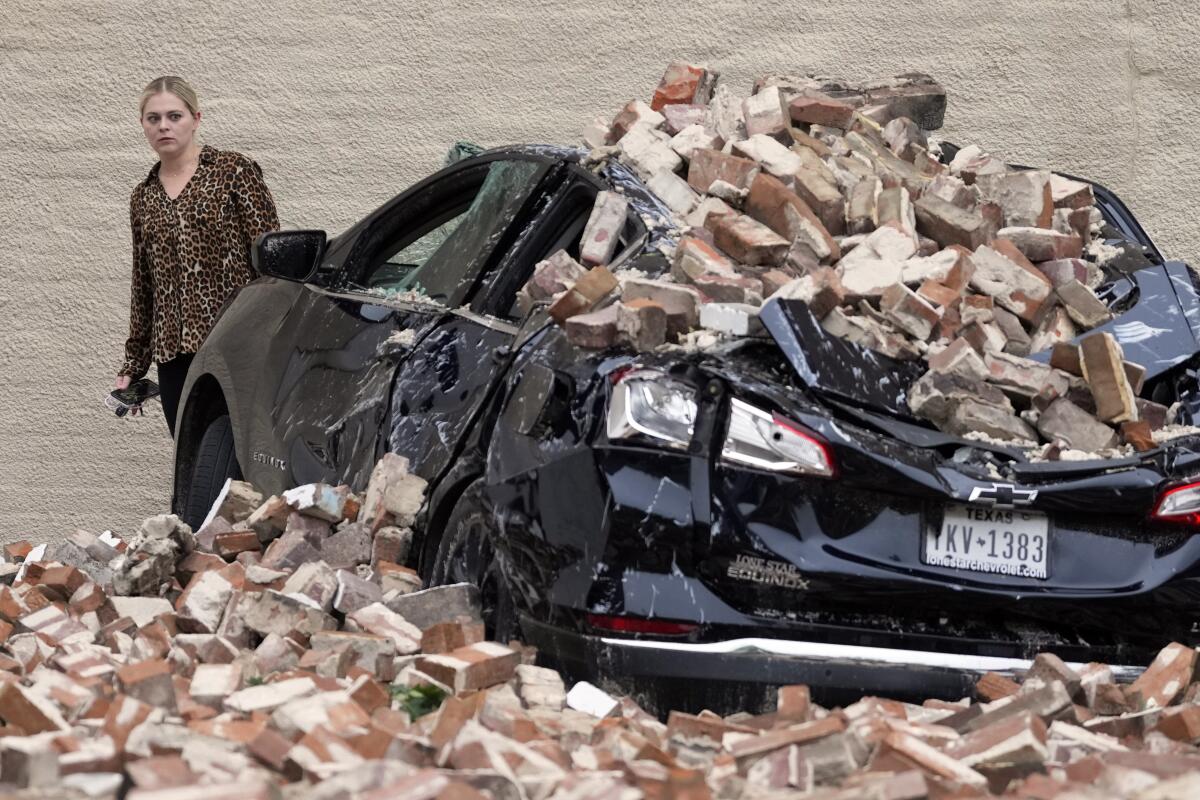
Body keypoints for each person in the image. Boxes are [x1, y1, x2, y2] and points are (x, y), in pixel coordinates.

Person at [114, 76, 279, 437]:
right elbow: (144, 284)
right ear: (142, 125)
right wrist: (134, 364)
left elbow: (273, 261)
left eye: (174, 116)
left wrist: (271, 337)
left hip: (235, 342)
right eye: (153, 118)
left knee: (242, 457)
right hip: (173, 354)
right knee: (192, 462)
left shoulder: (234, 172)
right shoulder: (142, 197)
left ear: (196, 118)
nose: (164, 126)